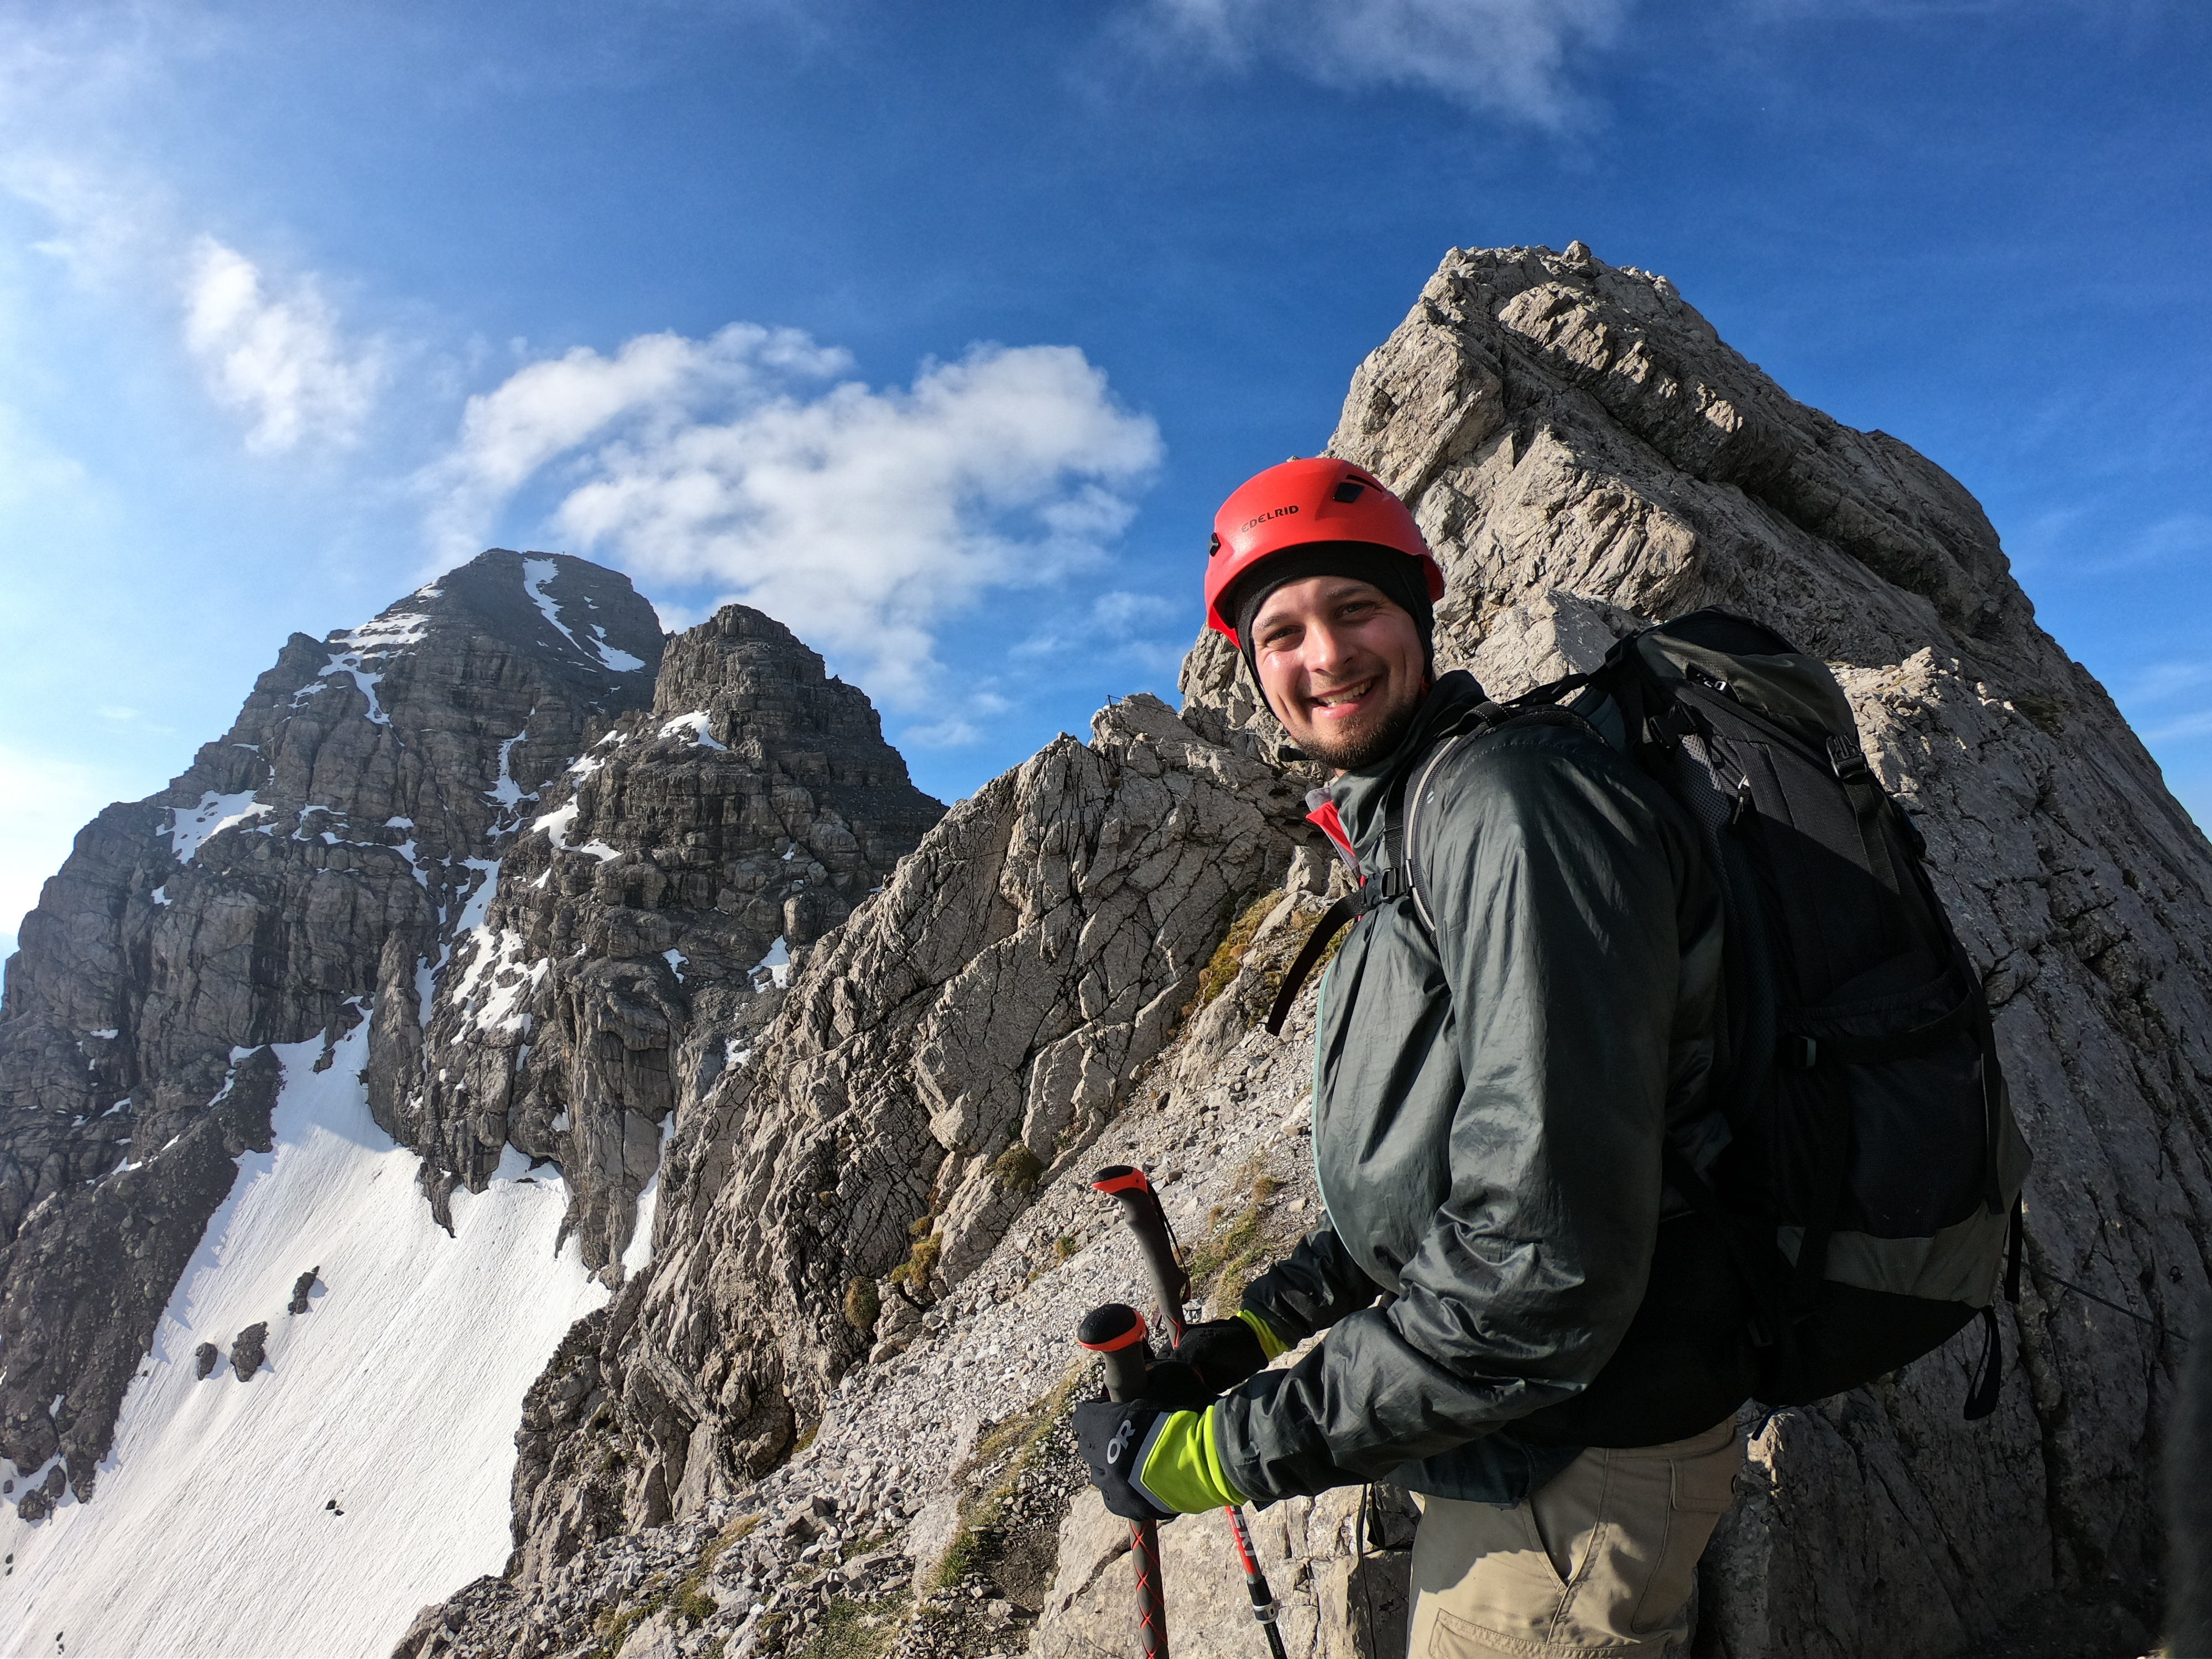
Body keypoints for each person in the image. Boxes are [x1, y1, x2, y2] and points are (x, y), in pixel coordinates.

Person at [1078, 456, 1747, 1657]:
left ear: (1419, 616)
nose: (1322, 656)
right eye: (1278, 631)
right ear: (1249, 671)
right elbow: (1461, 1160)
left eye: (1354, 609)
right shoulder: (1421, 814)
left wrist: (1210, 1457)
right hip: (1532, 1435)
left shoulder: (1508, 810)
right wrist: (1265, 1328)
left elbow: (1535, 1267)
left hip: (1575, 1460)